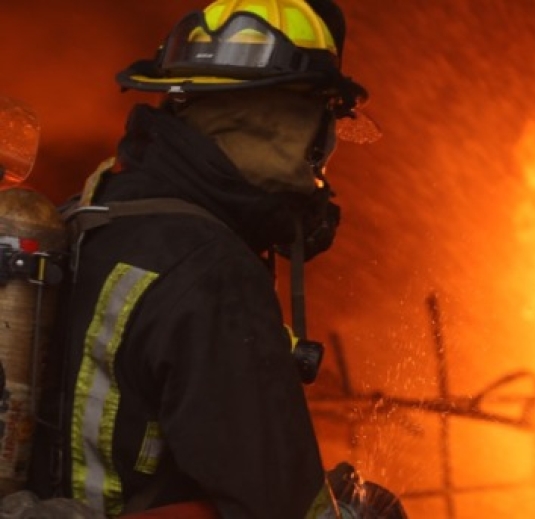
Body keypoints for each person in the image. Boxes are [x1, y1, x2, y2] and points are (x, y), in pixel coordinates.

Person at [26, 0, 388, 517]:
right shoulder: (213, 273)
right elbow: (276, 508)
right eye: (323, 119)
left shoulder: (95, 213)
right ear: (285, 120)